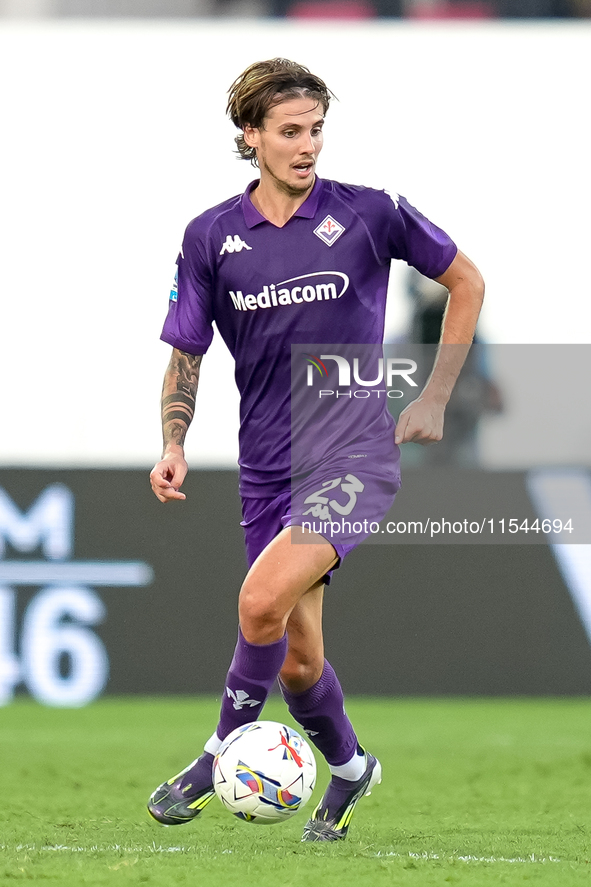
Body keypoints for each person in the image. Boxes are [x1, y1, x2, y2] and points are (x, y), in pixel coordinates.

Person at [147, 58, 484, 842]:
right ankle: (352, 768)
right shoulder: (210, 237)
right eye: (289, 132)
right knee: (296, 666)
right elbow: (185, 351)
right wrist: (172, 439)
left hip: (353, 457)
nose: (307, 146)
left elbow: (465, 281)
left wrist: (434, 393)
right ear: (251, 137)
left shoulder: (370, 213)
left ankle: (213, 756)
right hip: (266, 469)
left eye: (316, 130)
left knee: (259, 602)